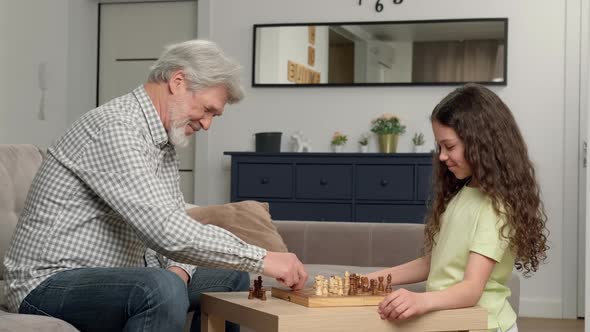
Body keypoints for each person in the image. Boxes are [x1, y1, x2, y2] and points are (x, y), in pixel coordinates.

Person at [3, 39, 308, 332]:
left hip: (113, 278)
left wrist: (180, 271)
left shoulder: (162, 143)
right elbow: (164, 229)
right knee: (159, 288)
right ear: (178, 82)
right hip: (47, 284)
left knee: (230, 278)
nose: (207, 123)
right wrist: (263, 257)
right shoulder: (115, 129)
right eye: (208, 109)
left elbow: (173, 218)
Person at [366, 83, 548, 332]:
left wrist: (419, 300)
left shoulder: (495, 207)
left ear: (481, 143)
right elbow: (436, 263)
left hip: (483, 326)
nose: (441, 156)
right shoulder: (463, 194)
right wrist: (372, 280)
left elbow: (471, 289)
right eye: (439, 147)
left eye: (449, 147)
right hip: (454, 322)